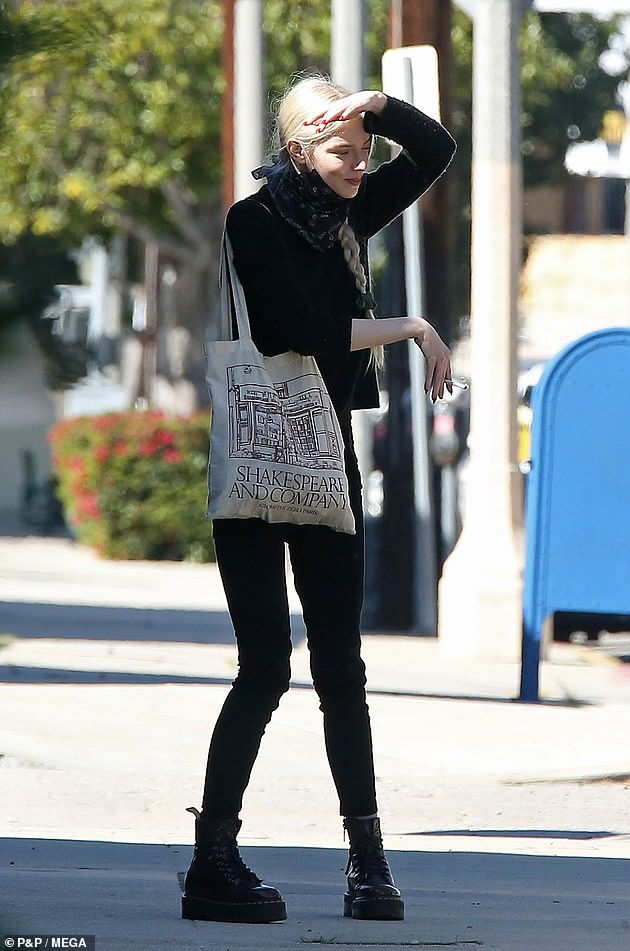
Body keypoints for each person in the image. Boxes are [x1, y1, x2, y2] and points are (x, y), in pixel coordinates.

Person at [182, 73, 456, 925]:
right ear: (296, 147)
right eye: (340, 149)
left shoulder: (348, 215)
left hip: (329, 461)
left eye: (363, 149)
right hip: (258, 465)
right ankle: (212, 861)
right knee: (265, 662)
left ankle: (369, 864)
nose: (359, 163)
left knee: (343, 666)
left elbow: (436, 150)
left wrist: (375, 103)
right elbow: (292, 327)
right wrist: (409, 326)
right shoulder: (252, 221)